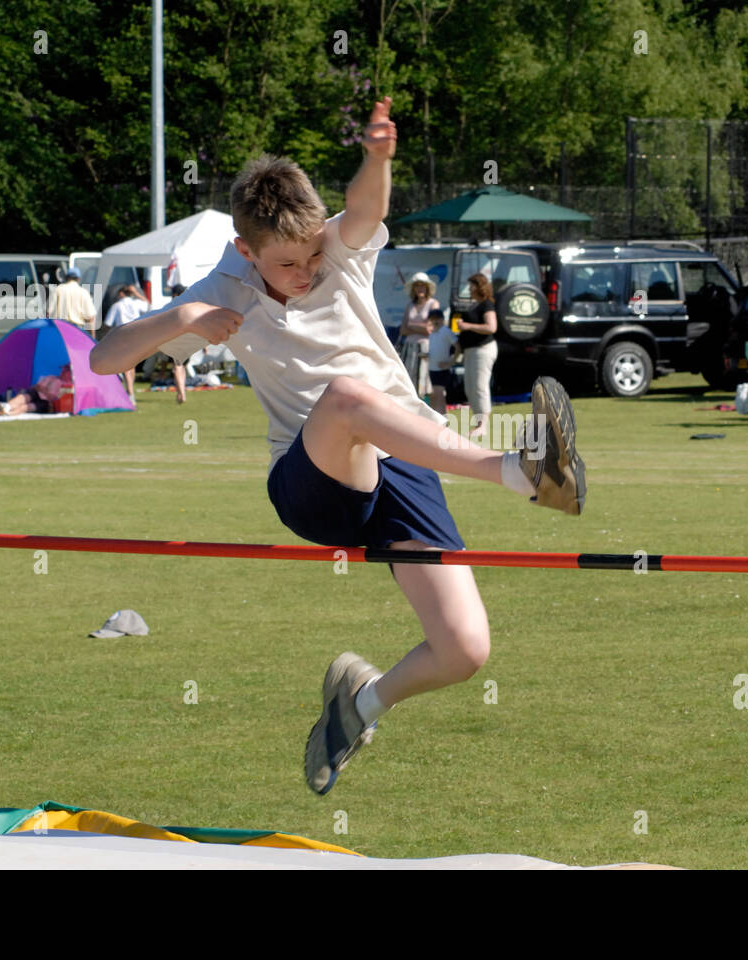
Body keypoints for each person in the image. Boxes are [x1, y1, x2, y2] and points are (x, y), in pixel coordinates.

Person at [88, 96, 586, 796]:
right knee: (348, 397)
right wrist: (183, 315)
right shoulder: (222, 287)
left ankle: (359, 706)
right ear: (245, 251)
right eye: (288, 262)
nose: (306, 270)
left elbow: (363, 212)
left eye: (313, 252)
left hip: (402, 466)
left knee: (465, 649)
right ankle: (520, 473)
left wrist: (377, 159)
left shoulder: (335, 252)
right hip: (313, 483)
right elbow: (103, 361)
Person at [458, 273, 498, 441]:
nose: (470, 288)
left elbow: (491, 327)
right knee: (470, 388)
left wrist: (467, 326)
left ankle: (483, 426)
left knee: (480, 386)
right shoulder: (474, 305)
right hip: (470, 351)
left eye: (472, 285)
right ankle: (478, 423)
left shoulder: (487, 304)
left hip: (483, 349)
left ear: (479, 286)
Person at [104, 284, 150, 397]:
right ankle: (130, 389)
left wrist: (107, 335)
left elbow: (108, 323)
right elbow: (148, 304)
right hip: (136, 335)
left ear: (121, 293)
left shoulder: (117, 305)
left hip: (123, 335)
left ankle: (129, 390)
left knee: (125, 363)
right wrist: (136, 293)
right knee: (132, 364)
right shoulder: (135, 303)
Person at [399, 272, 440, 394]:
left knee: (424, 381)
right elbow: (402, 330)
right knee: (409, 381)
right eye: (417, 285)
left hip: (425, 348)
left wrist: (411, 325)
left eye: (422, 285)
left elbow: (431, 329)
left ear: (427, 287)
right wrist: (421, 327)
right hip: (409, 348)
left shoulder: (433, 303)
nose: (420, 288)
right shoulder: (410, 305)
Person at [0, 365, 73, 416]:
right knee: (24, 397)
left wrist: (44, 391)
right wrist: (38, 388)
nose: (63, 372)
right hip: (36, 393)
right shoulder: (51, 377)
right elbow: (36, 386)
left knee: (27, 407)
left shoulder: (67, 385)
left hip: (47, 402)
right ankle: (5, 407)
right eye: (64, 370)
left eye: (66, 370)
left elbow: (54, 399)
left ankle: (8, 413)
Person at [426, 309, 459, 414]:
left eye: (437, 319)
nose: (435, 321)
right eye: (432, 319)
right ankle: (436, 419)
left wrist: (451, 362)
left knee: (439, 394)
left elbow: (458, 347)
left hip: (442, 369)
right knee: (434, 395)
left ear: (442, 319)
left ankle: (442, 419)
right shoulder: (432, 334)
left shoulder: (446, 331)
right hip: (432, 368)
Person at [47, 267, 97, 332]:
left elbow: (48, 313)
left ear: (67, 277)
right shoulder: (84, 292)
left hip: (59, 330)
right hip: (76, 331)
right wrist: (92, 337)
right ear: (78, 279)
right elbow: (90, 318)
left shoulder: (57, 290)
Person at [168, 283, 190, 404]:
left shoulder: (172, 306)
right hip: (187, 340)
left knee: (177, 367)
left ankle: (181, 393)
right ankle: (182, 392)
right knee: (182, 366)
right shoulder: (187, 305)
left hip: (175, 340)